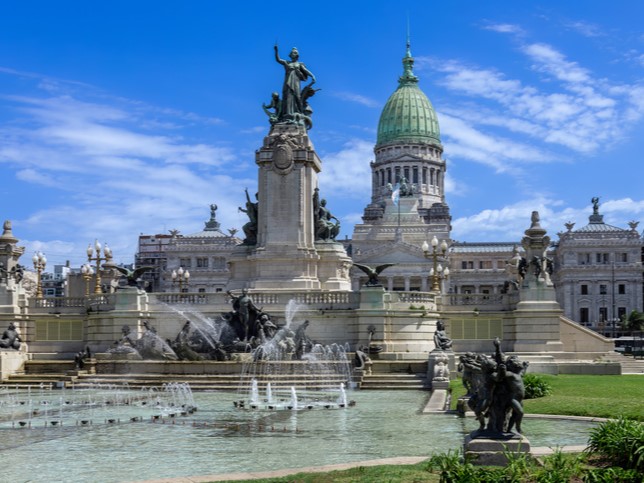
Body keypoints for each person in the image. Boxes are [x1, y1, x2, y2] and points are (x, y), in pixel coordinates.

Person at [274, 45, 316, 122]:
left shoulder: (299, 64)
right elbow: (278, 59)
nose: (293, 54)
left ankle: (298, 112)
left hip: (296, 82)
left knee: (297, 96)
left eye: (294, 53)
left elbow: (305, 70)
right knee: (288, 96)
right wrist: (276, 51)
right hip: (288, 82)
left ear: (297, 55)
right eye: (292, 53)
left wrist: (312, 76)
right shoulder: (287, 62)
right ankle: (287, 114)